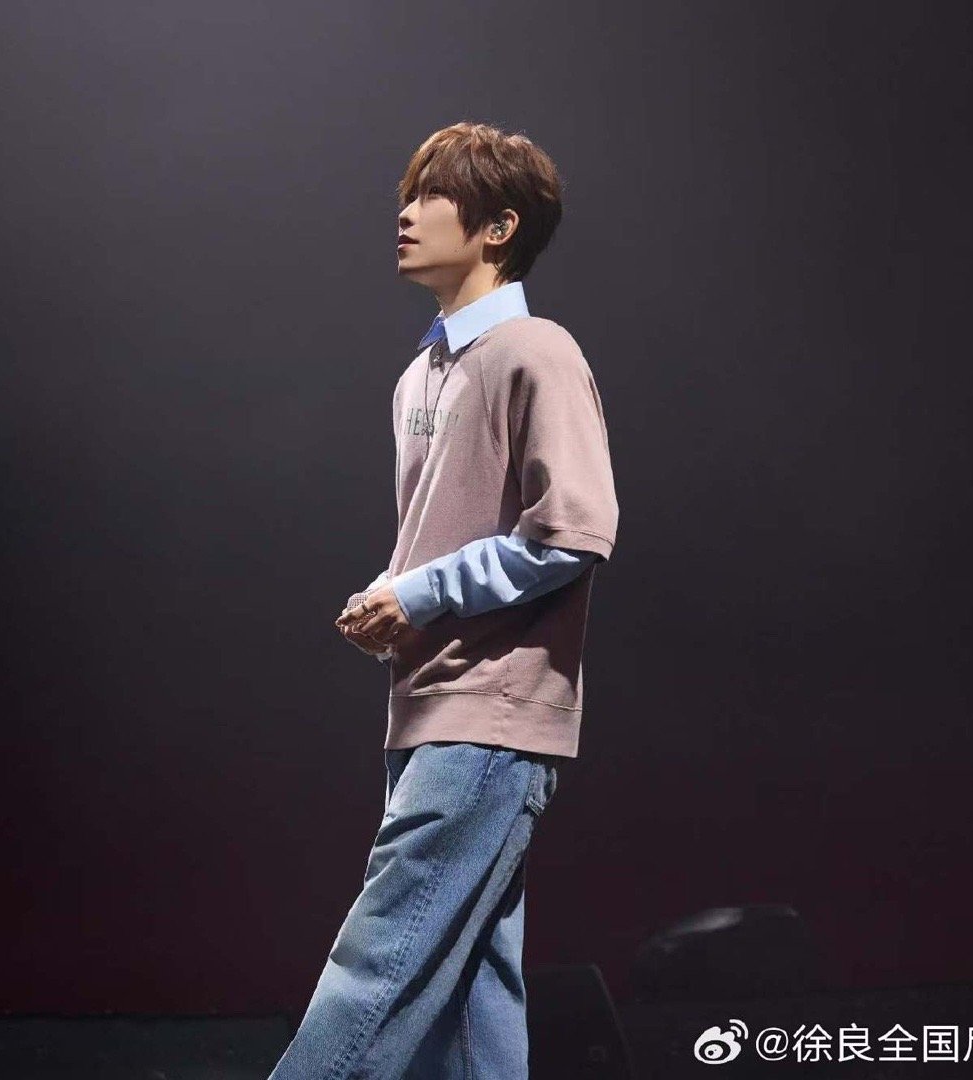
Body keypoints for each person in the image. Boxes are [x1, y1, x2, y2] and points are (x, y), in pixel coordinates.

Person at [267, 121, 620, 1080]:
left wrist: (418, 593)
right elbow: (444, 534)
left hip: (489, 716)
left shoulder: (535, 350)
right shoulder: (420, 373)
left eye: (432, 194)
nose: (406, 212)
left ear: (498, 227)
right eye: (408, 193)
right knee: (471, 995)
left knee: (376, 964)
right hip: (429, 708)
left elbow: (575, 529)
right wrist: (392, 597)